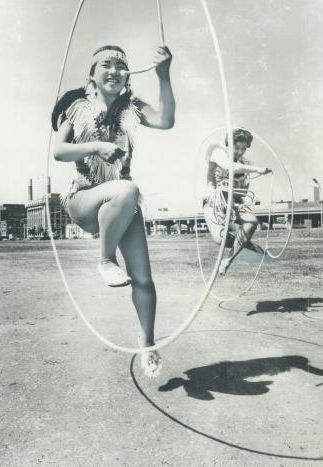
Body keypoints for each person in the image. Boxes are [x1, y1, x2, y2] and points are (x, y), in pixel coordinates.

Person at [51, 44, 175, 377]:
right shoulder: (76, 106)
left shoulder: (132, 107)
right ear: (92, 75)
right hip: (84, 199)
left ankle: (147, 341)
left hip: (121, 204)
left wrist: (163, 75)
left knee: (144, 279)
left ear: (128, 76)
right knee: (128, 190)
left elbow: (165, 120)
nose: (115, 70)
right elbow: (59, 151)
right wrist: (95, 146)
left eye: (122, 65)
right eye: (107, 64)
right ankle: (105, 260)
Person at [203, 128, 272, 275]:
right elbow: (230, 167)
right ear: (229, 144)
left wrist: (235, 204)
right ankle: (246, 243)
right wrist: (258, 169)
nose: (240, 151)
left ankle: (228, 260)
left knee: (252, 221)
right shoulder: (218, 153)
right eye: (237, 147)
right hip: (214, 201)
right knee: (220, 240)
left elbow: (244, 192)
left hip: (233, 202)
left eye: (244, 149)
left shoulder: (245, 164)